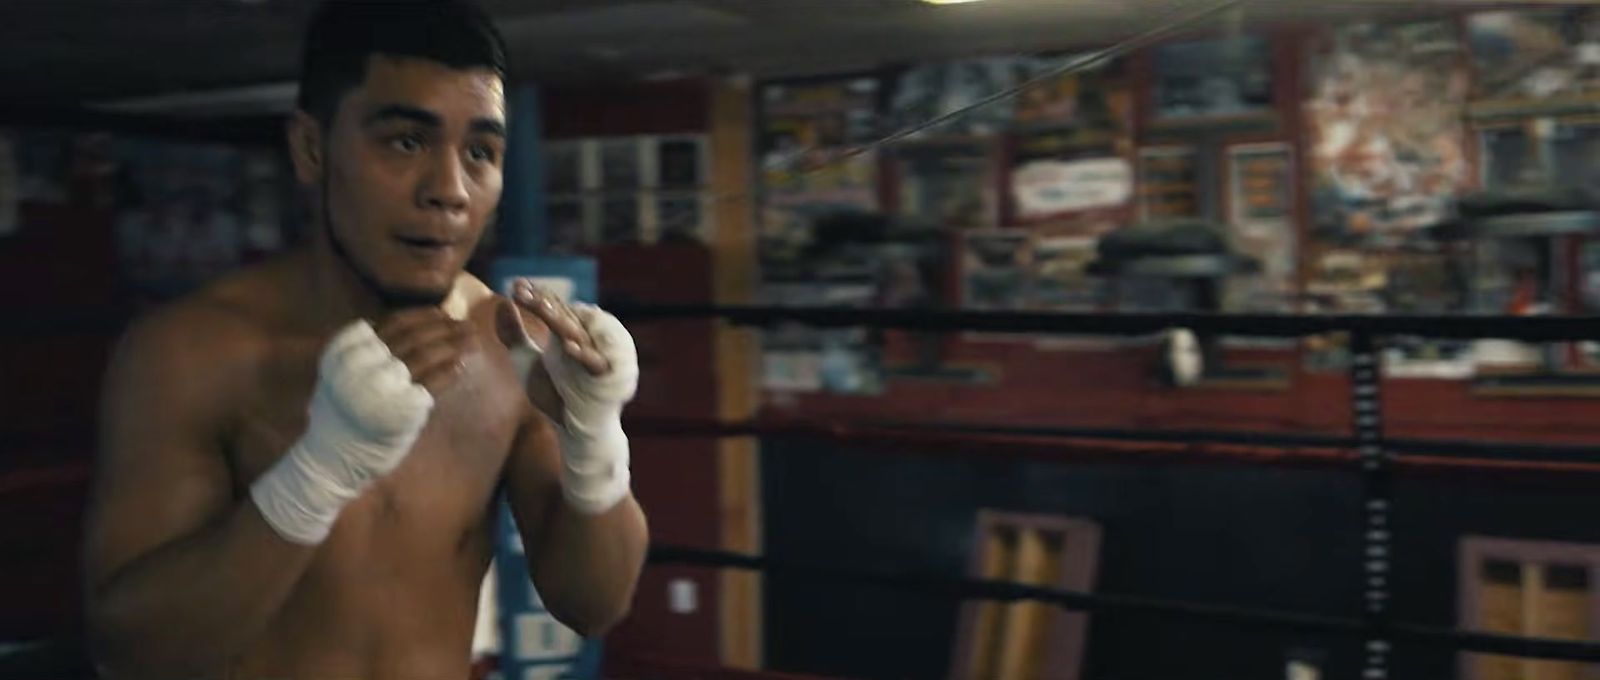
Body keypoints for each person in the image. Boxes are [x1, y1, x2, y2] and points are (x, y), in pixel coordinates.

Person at [79, 2, 649, 678]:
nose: (449, 190)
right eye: (406, 142)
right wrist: (315, 476)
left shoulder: (507, 347)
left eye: (481, 153)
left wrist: (595, 442)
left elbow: (594, 605)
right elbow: (132, 651)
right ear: (312, 150)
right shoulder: (194, 354)